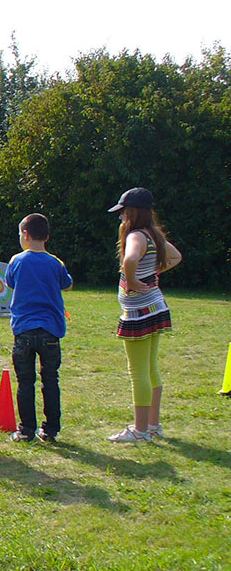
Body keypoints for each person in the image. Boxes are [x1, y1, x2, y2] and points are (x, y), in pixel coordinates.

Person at [106, 188, 181, 442]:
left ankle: (139, 431)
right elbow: (175, 257)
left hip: (139, 312)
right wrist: (152, 274)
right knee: (151, 369)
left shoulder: (136, 236)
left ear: (132, 213)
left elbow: (129, 259)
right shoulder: (153, 234)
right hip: (155, 307)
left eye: (123, 213)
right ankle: (152, 425)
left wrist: (132, 281)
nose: (121, 218)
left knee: (137, 372)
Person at [4, 213, 73, 442]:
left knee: (25, 381)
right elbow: (68, 284)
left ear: (25, 234)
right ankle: (51, 429)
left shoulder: (16, 261)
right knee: (50, 379)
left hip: (24, 329)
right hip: (50, 330)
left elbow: (10, 283)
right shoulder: (55, 262)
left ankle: (26, 430)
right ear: (46, 236)